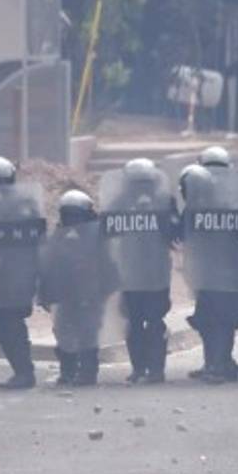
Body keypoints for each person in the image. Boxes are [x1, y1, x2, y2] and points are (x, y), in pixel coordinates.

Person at [179, 147, 238, 384]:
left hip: (213, 272)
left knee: (218, 320)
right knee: (214, 320)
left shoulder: (225, 201)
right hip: (226, 271)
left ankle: (220, 365)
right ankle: (216, 363)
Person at [98, 158, 177, 384]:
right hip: (129, 274)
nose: (141, 189)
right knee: (133, 323)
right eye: (137, 184)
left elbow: (175, 234)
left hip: (156, 274)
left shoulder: (164, 202)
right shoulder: (118, 203)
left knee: (154, 322)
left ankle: (156, 369)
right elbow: (105, 233)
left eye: (145, 184)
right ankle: (139, 367)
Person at [39, 190, 118, 386]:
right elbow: (49, 264)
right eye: (68, 215)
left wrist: (105, 290)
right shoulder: (58, 236)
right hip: (66, 292)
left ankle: (88, 373)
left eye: (76, 215)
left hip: (90, 292)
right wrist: (46, 293)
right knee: (64, 332)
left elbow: (108, 264)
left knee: (87, 332)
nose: (72, 220)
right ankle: (68, 371)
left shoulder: (98, 235)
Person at [0, 156, 46, 389]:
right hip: (23, 269)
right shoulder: (26, 200)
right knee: (6, 317)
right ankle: (24, 369)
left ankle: (24, 371)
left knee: (4, 317)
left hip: (13, 271)